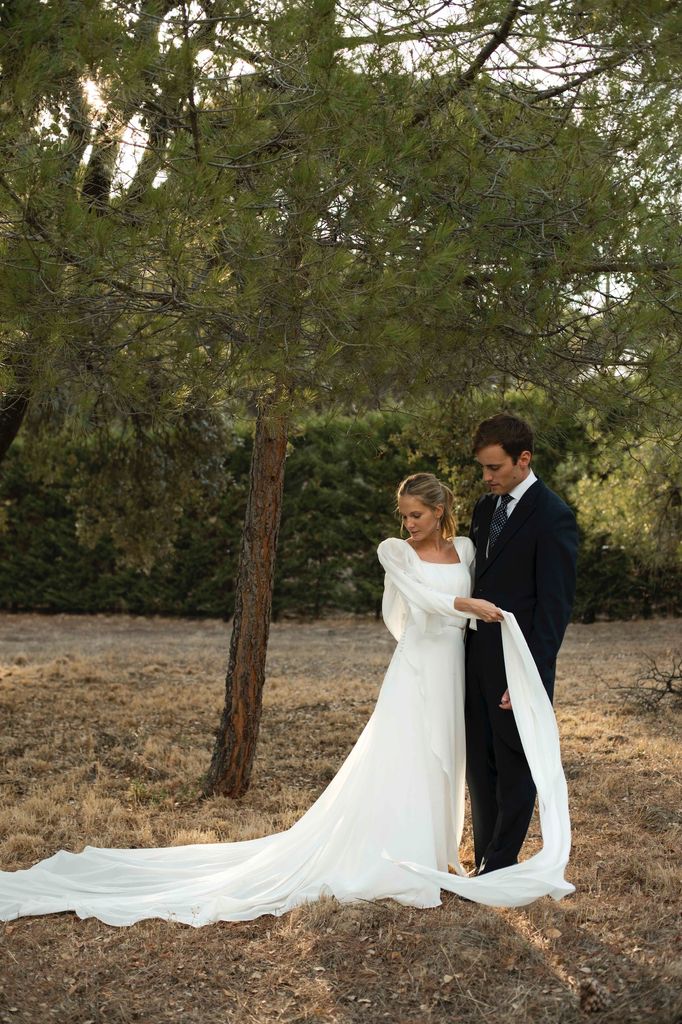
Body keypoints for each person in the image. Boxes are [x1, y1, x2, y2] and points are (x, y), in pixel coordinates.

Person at [0, 473, 573, 927]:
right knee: (407, 755)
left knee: (449, 761)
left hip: (457, 668)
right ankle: (397, 859)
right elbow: (421, 601)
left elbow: (484, 589)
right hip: (419, 667)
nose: (408, 523)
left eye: (417, 515)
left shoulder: (469, 546)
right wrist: (467, 609)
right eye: (404, 514)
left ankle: (442, 854)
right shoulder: (394, 550)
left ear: (440, 512)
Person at [466, 414, 578, 875]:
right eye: (484, 469)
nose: (488, 477)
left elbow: (555, 607)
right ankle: (482, 858)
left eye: (495, 468)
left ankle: (501, 862)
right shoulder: (482, 508)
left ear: (523, 459)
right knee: (480, 761)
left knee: (515, 762)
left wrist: (529, 675)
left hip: (520, 662)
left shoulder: (553, 516)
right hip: (474, 658)